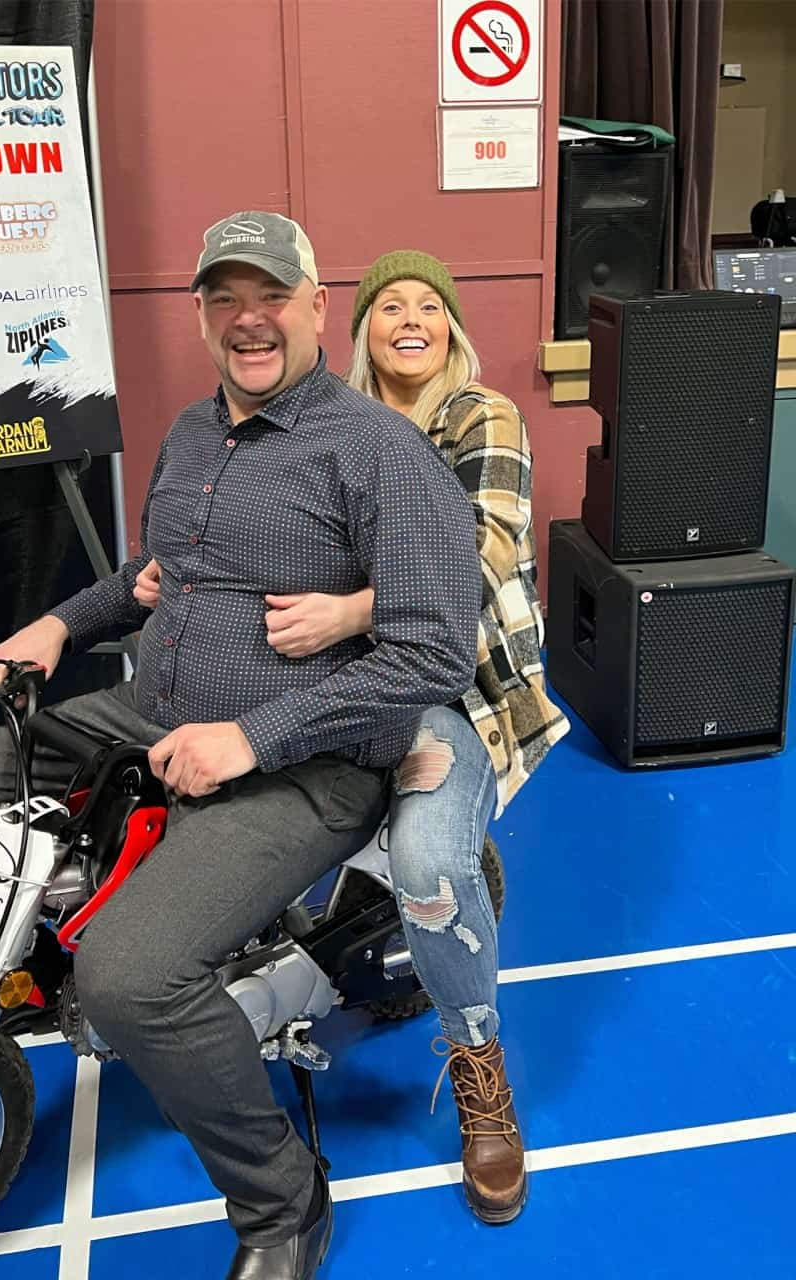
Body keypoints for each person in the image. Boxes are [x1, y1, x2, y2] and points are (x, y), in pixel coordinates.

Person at [0, 215, 482, 1280]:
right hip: (148, 719)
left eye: (271, 293)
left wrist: (251, 737)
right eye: (224, 296)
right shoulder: (193, 434)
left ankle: (282, 1198)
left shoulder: (379, 453)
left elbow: (434, 653)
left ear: (314, 305)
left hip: (307, 758)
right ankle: (34, 987)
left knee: (133, 974)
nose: (248, 317)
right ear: (204, 314)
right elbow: (150, 576)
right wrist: (65, 622)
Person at [137, 249, 570, 1227]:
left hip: (438, 696)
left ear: (451, 327)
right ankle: (230, 980)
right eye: (389, 305)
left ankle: (477, 1061)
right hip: (320, 693)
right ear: (355, 325)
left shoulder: (479, 418)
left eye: (428, 303)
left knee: (422, 853)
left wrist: (344, 614)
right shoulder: (323, 421)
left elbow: (477, 553)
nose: (408, 318)